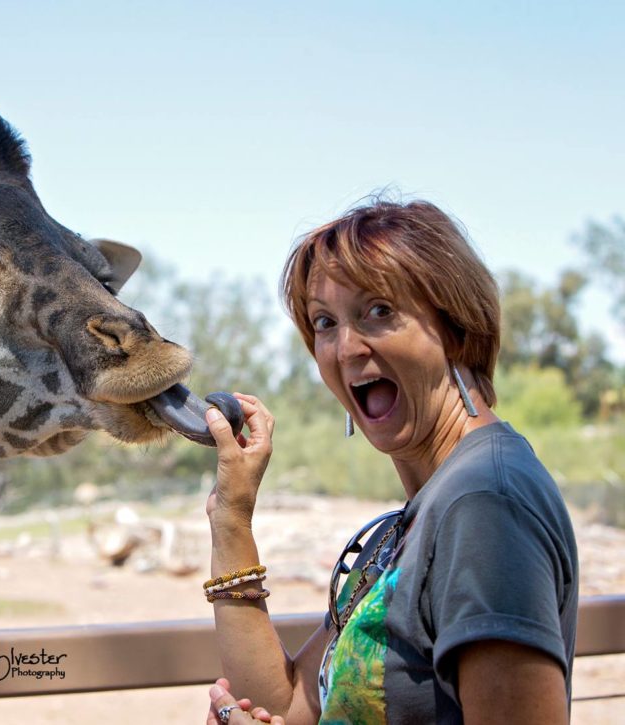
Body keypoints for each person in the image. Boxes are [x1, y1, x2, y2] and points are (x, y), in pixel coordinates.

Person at [201, 199, 579, 724]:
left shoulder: (485, 506)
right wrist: (231, 519)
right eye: (325, 322)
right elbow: (286, 706)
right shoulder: (416, 519)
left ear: (456, 329)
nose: (347, 348)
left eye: (378, 311)